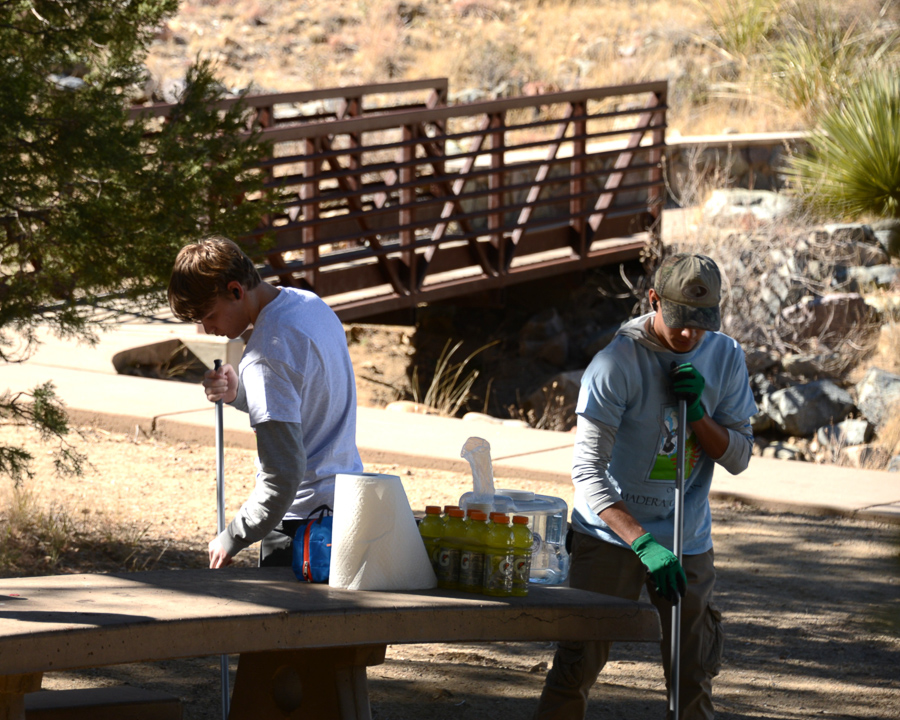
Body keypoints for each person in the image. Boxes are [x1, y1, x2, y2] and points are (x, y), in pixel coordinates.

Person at [534, 253, 757, 720]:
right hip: (612, 535)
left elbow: (738, 457)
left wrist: (698, 415)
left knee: (693, 672)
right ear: (654, 299)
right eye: (679, 321)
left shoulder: (726, 356)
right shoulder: (616, 363)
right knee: (578, 666)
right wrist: (644, 544)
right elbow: (588, 474)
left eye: (702, 323)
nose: (689, 335)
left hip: (688, 535)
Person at [168, 235, 363, 569]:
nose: (207, 328)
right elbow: (303, 400)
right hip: (348, 507)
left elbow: (283, 476)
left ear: (235, 290)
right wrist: (238, 393)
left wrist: (232, 538)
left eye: (209, 315)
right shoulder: (309, 305)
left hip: (300, 528)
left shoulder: (264, 357)